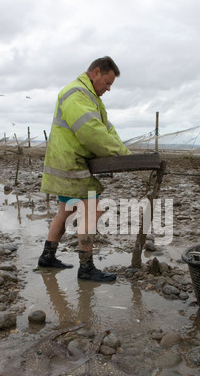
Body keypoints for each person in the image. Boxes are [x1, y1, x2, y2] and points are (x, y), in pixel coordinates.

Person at [38, 56, 131, 282]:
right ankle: (86, 268)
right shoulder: (76, 94)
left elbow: (106, 129)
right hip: (73, 163)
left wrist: (125, 153)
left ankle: (47, 257)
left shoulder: (91, 98)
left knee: (66, 211)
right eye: (107, 83)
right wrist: (119, 154)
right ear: (95, 72)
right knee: (92, 210)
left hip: (68, 162)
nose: (108, 89)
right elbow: (90, 131)